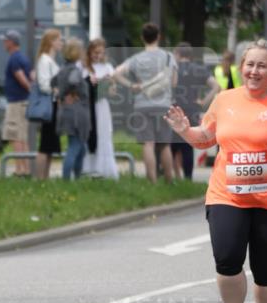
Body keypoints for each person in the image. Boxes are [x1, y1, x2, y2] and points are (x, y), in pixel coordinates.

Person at [165, 39, 267, 303]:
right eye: (250, 64)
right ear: (241, 67)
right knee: (226, 259)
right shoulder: (225, 100)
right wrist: (185, 130)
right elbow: (205, 138)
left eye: (262, 65)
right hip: (227, 195)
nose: (254, 70)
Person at [114, 22, 177, 184]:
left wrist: (131, 85)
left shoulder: (136, 59)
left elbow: (116, 73)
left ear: (142, 38)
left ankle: (152, 181)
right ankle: (170, 181)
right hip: (163, 105)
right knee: (164, 144)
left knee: (148, 144)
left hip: (142, 105)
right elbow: (174, 82)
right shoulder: (168, 57)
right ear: (159, 37)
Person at [171, 42, 219, 180]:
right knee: (188, 145)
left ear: (178, 54)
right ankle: (187, 178)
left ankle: (173, 178)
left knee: (172, 145)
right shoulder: (199, 69)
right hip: (192, 109)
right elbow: (216, 86)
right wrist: (204, 102)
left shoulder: (173, 69)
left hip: (175, 109)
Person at [82, 38, 119, 179]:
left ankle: (103, 169)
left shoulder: (108, 67)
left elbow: (113, 91)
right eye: (95, 52)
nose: (98, 55)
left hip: (101, 105)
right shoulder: (84, 68)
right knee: (90, 134)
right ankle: (88, 169)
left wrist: (108, 84)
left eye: (101, 53)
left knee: (103, 135)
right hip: (88, 106)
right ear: (90, 52)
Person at [54, 38, 91, 180]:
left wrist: (60, 95)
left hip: (67, 111)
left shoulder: (62, 68)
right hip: (77, 113)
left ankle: (76, 178)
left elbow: (53, 82)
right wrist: (72, 93)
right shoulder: (74, 69)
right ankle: (67, 179)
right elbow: (73, 81)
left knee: (80, 148)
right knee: (75, 147)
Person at [0, 29, 33, 176]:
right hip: (23, 103)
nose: (4, 43)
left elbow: (22, 78)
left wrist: (31, 91)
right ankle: (25, 168)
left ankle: (21, 169)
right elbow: (32, 76)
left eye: (5, 41)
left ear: (11, 42)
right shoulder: (23, 58)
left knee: (15, 135)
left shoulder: (14, 59)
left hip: (16, 103)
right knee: (22, 136)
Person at [34, 29, 63, 180]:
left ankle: (45, 177)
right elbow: (44, 84)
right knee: (45, 144)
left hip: (54, 105)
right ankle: (40, 178)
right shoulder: (45, 60)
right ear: (51, 41)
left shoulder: (50, 60)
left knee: (50, 145)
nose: (61, 43)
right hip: (49, 106)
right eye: (59, 40)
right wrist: (57, 91)